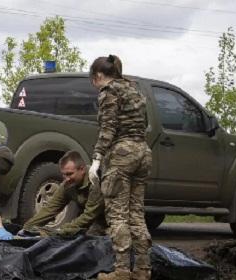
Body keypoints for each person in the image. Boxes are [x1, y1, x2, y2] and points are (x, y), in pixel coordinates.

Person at [88, 55, 152, 280]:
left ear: (98, 76)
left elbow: (108, 128)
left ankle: (122, 271)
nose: (94, 85)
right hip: (143, 153)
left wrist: (96, 159)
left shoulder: (109, 92)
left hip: (122, 156)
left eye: (92, 80)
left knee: (117, 216)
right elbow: (144, 124)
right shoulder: (134, 89)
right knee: (136, 214)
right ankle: (142, 270)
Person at [20, 150, 106, 237]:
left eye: (69, 174)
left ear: (82, 169)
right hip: (94, 217)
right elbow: (50, 209)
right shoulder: (68, 184)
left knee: (91, 240)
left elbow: (90, 215)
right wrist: (27, 227)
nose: (67, 178)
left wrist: (62, 230)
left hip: (111, 217)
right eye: (64, 174)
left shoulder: (95, 181)